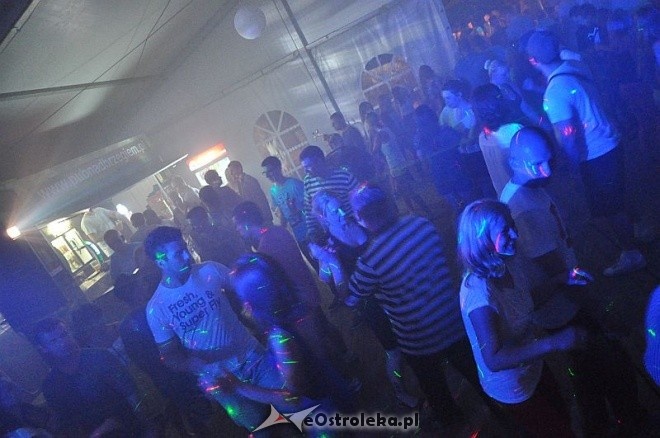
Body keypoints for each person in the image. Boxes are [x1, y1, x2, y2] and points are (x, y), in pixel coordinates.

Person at [504, 127, 649, 437]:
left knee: (588, 372)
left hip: (565, 303)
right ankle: (626, 421)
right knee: (609, 366)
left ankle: (602, 423)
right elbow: (557, 272)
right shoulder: (523, 209)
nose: (546, 171)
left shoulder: (527, 187)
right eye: (537, 164)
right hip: (564, 308)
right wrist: (598, 309)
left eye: (549, 161)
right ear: (514, 162)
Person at [346, 184, 486, 431]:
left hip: (419, 339)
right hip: (453, 319)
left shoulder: (370, 259)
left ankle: (452, 420)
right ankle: (501, 408)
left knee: (434, 386)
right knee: (477, 373)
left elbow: (352, 297)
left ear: (361, 220)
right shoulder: (421, 225)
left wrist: (333, 261)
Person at [143, 226, 288, 432]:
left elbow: (244, 289)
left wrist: (255, 312)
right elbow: (169, 354)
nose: (187, 256)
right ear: (161, 262)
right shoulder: (156, 308)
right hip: (220, 379)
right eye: (178, 253)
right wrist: (191, 364)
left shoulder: (209, 270)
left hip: (254, 358)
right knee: (261, 427)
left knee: (293, 404)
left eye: (185, 248)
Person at [457, 200, 583, 438]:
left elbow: (523, 303)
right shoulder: (479, 293)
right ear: (482, 240)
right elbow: (493, 358)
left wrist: (560, 280)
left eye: (512, 225)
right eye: (505, 231)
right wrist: (553, 342)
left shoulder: (507, 262)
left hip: (532, 365)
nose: (515, 234)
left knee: (563, 419)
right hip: (513, 387)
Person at [526, 29, 646, 276]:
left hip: (595, 154)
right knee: (619, 197)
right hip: (611, 140)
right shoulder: (575, 66)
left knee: (611, 209)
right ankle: (638, 232)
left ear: (533, 61)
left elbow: (568, 137)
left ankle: (631, 253)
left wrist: (571, 166)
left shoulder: (554, 93)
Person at [310, 190, 418, 409]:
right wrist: (329, 261)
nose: (342, 213)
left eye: (340, 207)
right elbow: (330, 282)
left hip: (392, 290)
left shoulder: (358, 224)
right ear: (323, 218)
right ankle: (400, 391)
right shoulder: (328, 245)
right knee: (394, 351)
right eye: (334, 212)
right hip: (371, 304)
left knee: (411, 334)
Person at [114, 271, 216, 436]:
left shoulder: (126, 326)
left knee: (189, 411)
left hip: (164, 378)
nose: (145, 285)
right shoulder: (156, 309)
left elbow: (138, 359)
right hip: (183, 368)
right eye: (140, 283)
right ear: (135, 290)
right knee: (201, 410)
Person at [29, 318, 152, 437]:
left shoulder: (101, 357)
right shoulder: (51, 385)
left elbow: (132, 393)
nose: (63, 342)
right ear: (43, 349)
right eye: (54, 341)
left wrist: (150, 426)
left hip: (131, 428)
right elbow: (67, 423)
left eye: (64, 334)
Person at [364, 111, 429, 215]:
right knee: (404, 191)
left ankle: (425, 209)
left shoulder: (379, 134)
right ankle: (414, 211)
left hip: (395, 166)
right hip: (399, 162)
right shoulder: (386, 129)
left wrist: (370, 137)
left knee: (408, 191)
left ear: (370, 124)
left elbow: (373, 151)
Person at [260, 156, 316, 267]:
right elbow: (282, 213)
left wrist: (297, 210)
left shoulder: (294, 184)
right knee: (317, 268)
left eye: (270, 171)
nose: (267, 176)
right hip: (299, 237)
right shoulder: (273, 191)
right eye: (265, 173)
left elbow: (312, 206)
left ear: (278, 168)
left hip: (312, 232)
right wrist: (279, 231)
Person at [471, 83, 524, 197]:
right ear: (499, 102)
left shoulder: (482, 137)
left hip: (504, 194)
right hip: (523, 192)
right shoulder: (514, 130)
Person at [300, 145, 358, 243]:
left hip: (353, 228)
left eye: (308, 167)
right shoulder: (308, 181)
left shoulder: (345, 177)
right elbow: (308, 208)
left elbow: (361, 201)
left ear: (319, 161)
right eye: (304, 168)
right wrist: (312, 231)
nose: (306, 171)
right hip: (332, 235)